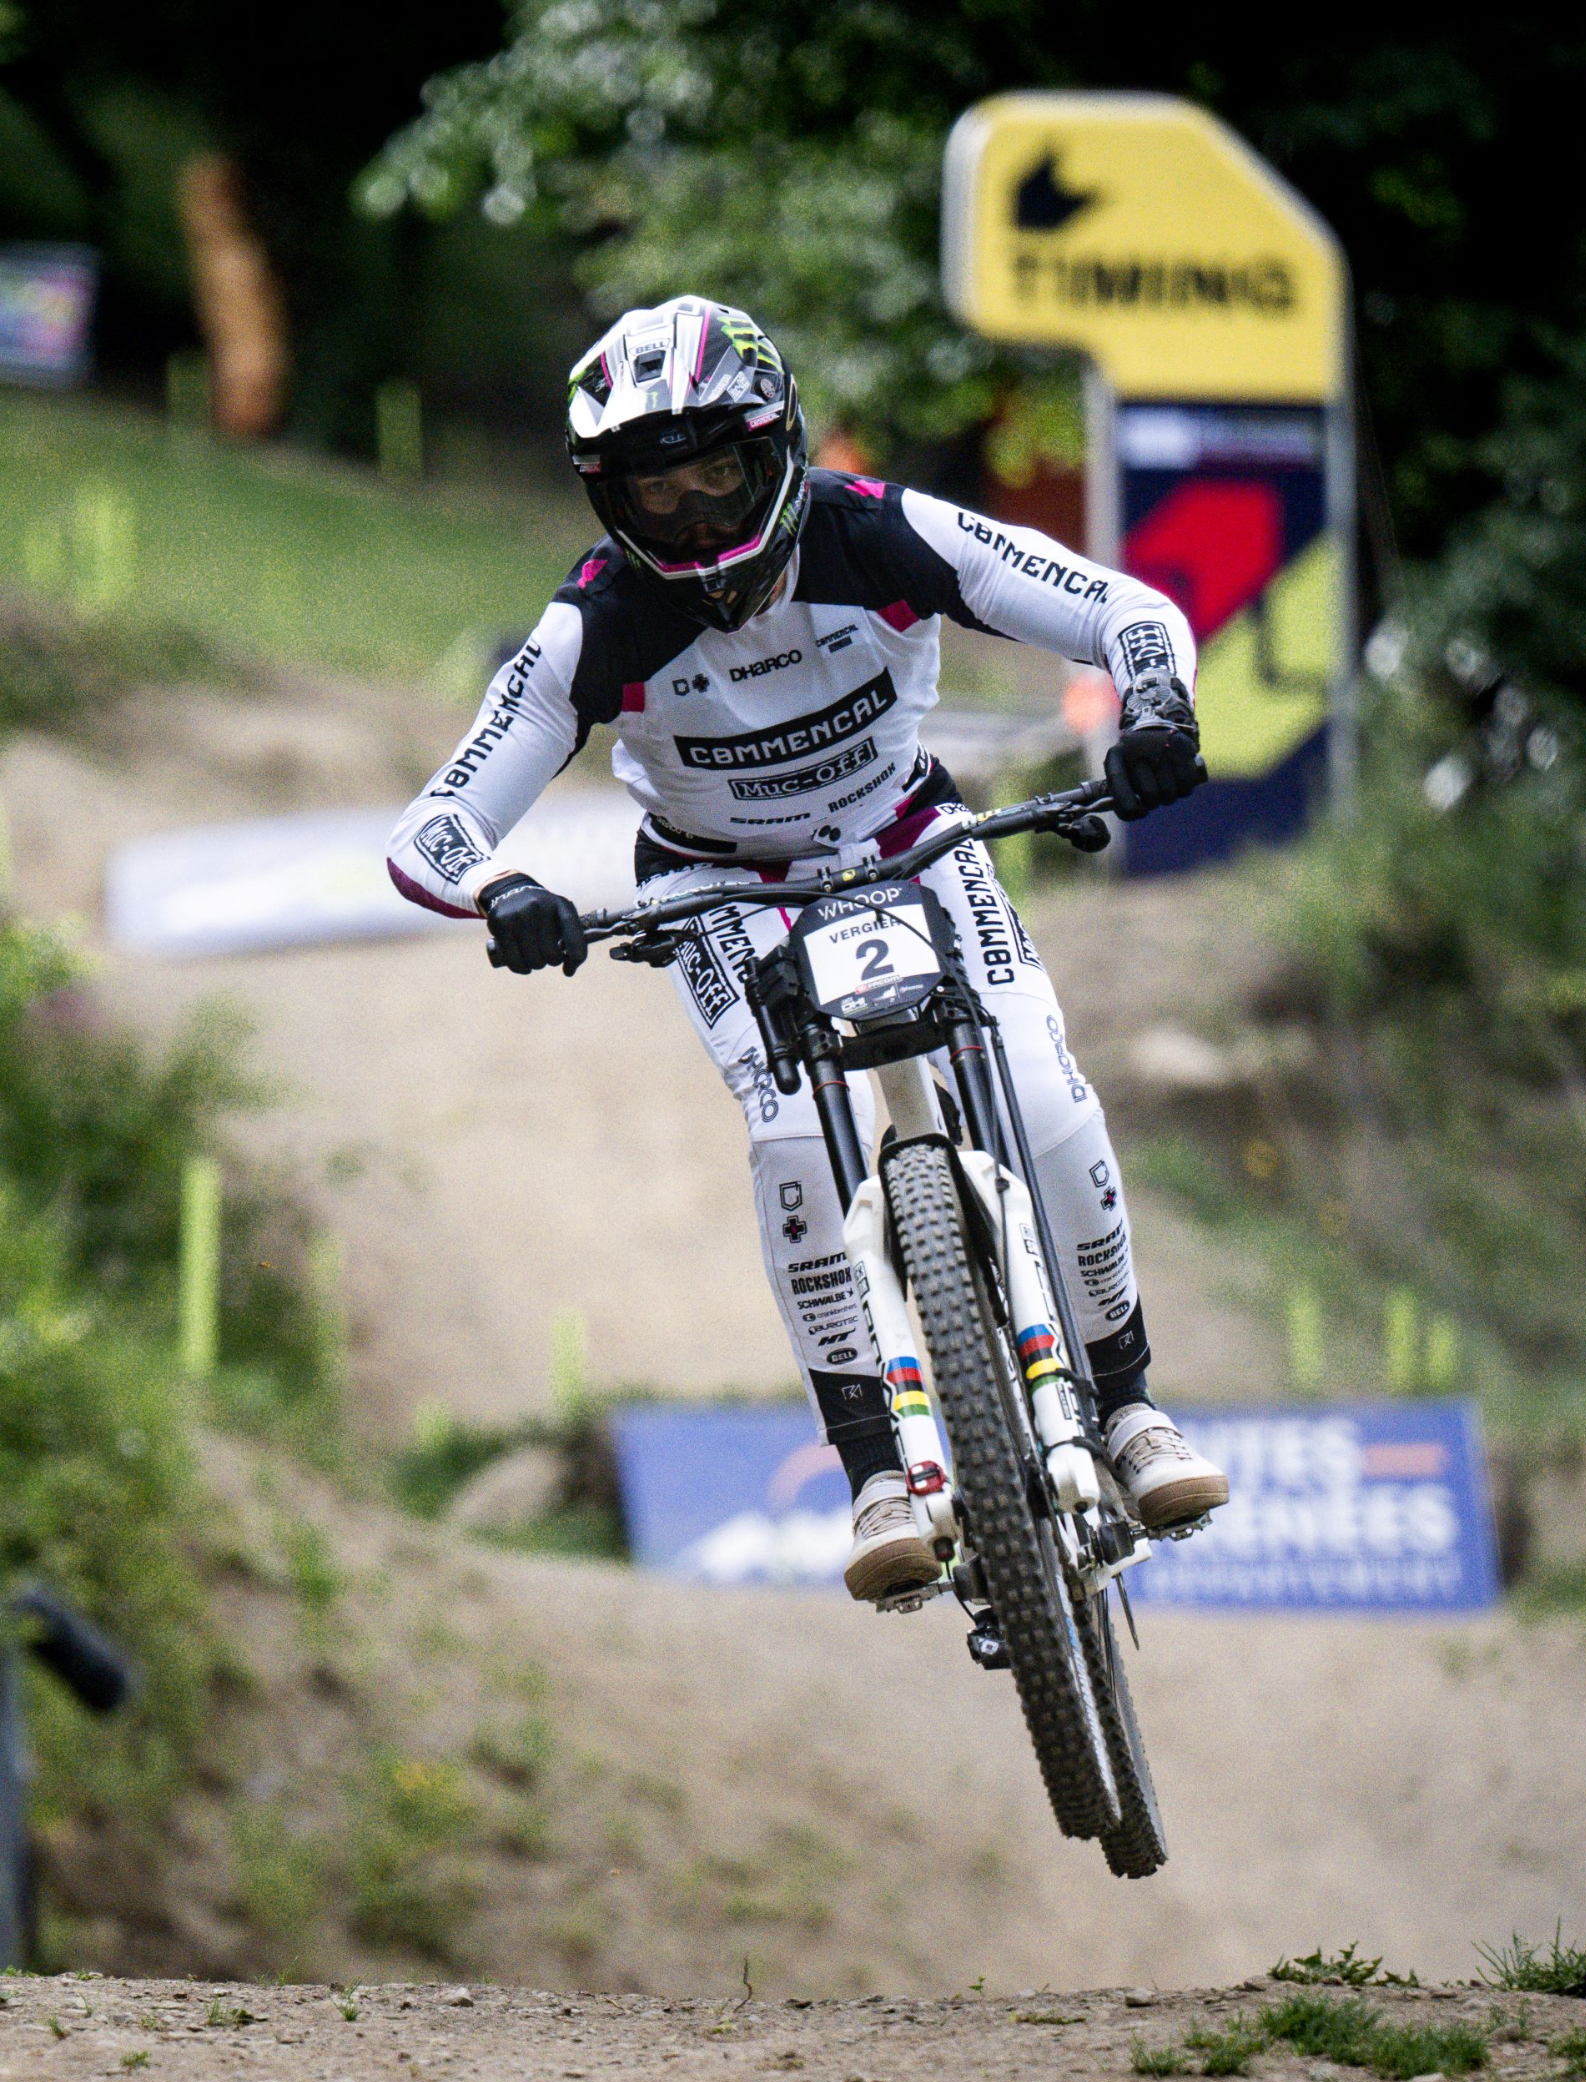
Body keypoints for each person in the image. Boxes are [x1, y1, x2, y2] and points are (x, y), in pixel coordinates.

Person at [388, 295, 1229, 1602]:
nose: (696, 520)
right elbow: (437, 825)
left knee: (1049, 1093)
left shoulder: (880, 529)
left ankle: (1128, 1413)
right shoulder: (596, 625)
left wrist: (1157, 710)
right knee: (788, 1132)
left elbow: (1122, 611)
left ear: (775, 447)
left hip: (911, 836)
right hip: (716, 891)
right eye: (655, 497)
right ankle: (878, 1476)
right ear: (609, 503)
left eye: (717, 474)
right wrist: (505, 891)